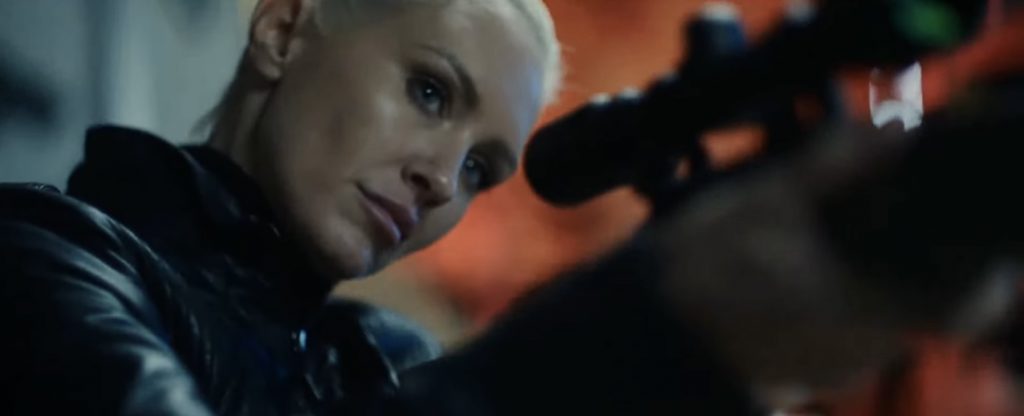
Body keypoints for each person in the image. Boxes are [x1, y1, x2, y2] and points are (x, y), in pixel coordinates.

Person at [0, 0, 1017, 415]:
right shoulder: (43, 254)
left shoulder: (386, 360)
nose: (444, 181)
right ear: (285, 27)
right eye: (429, 91)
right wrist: (653, 320)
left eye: (485, 169)